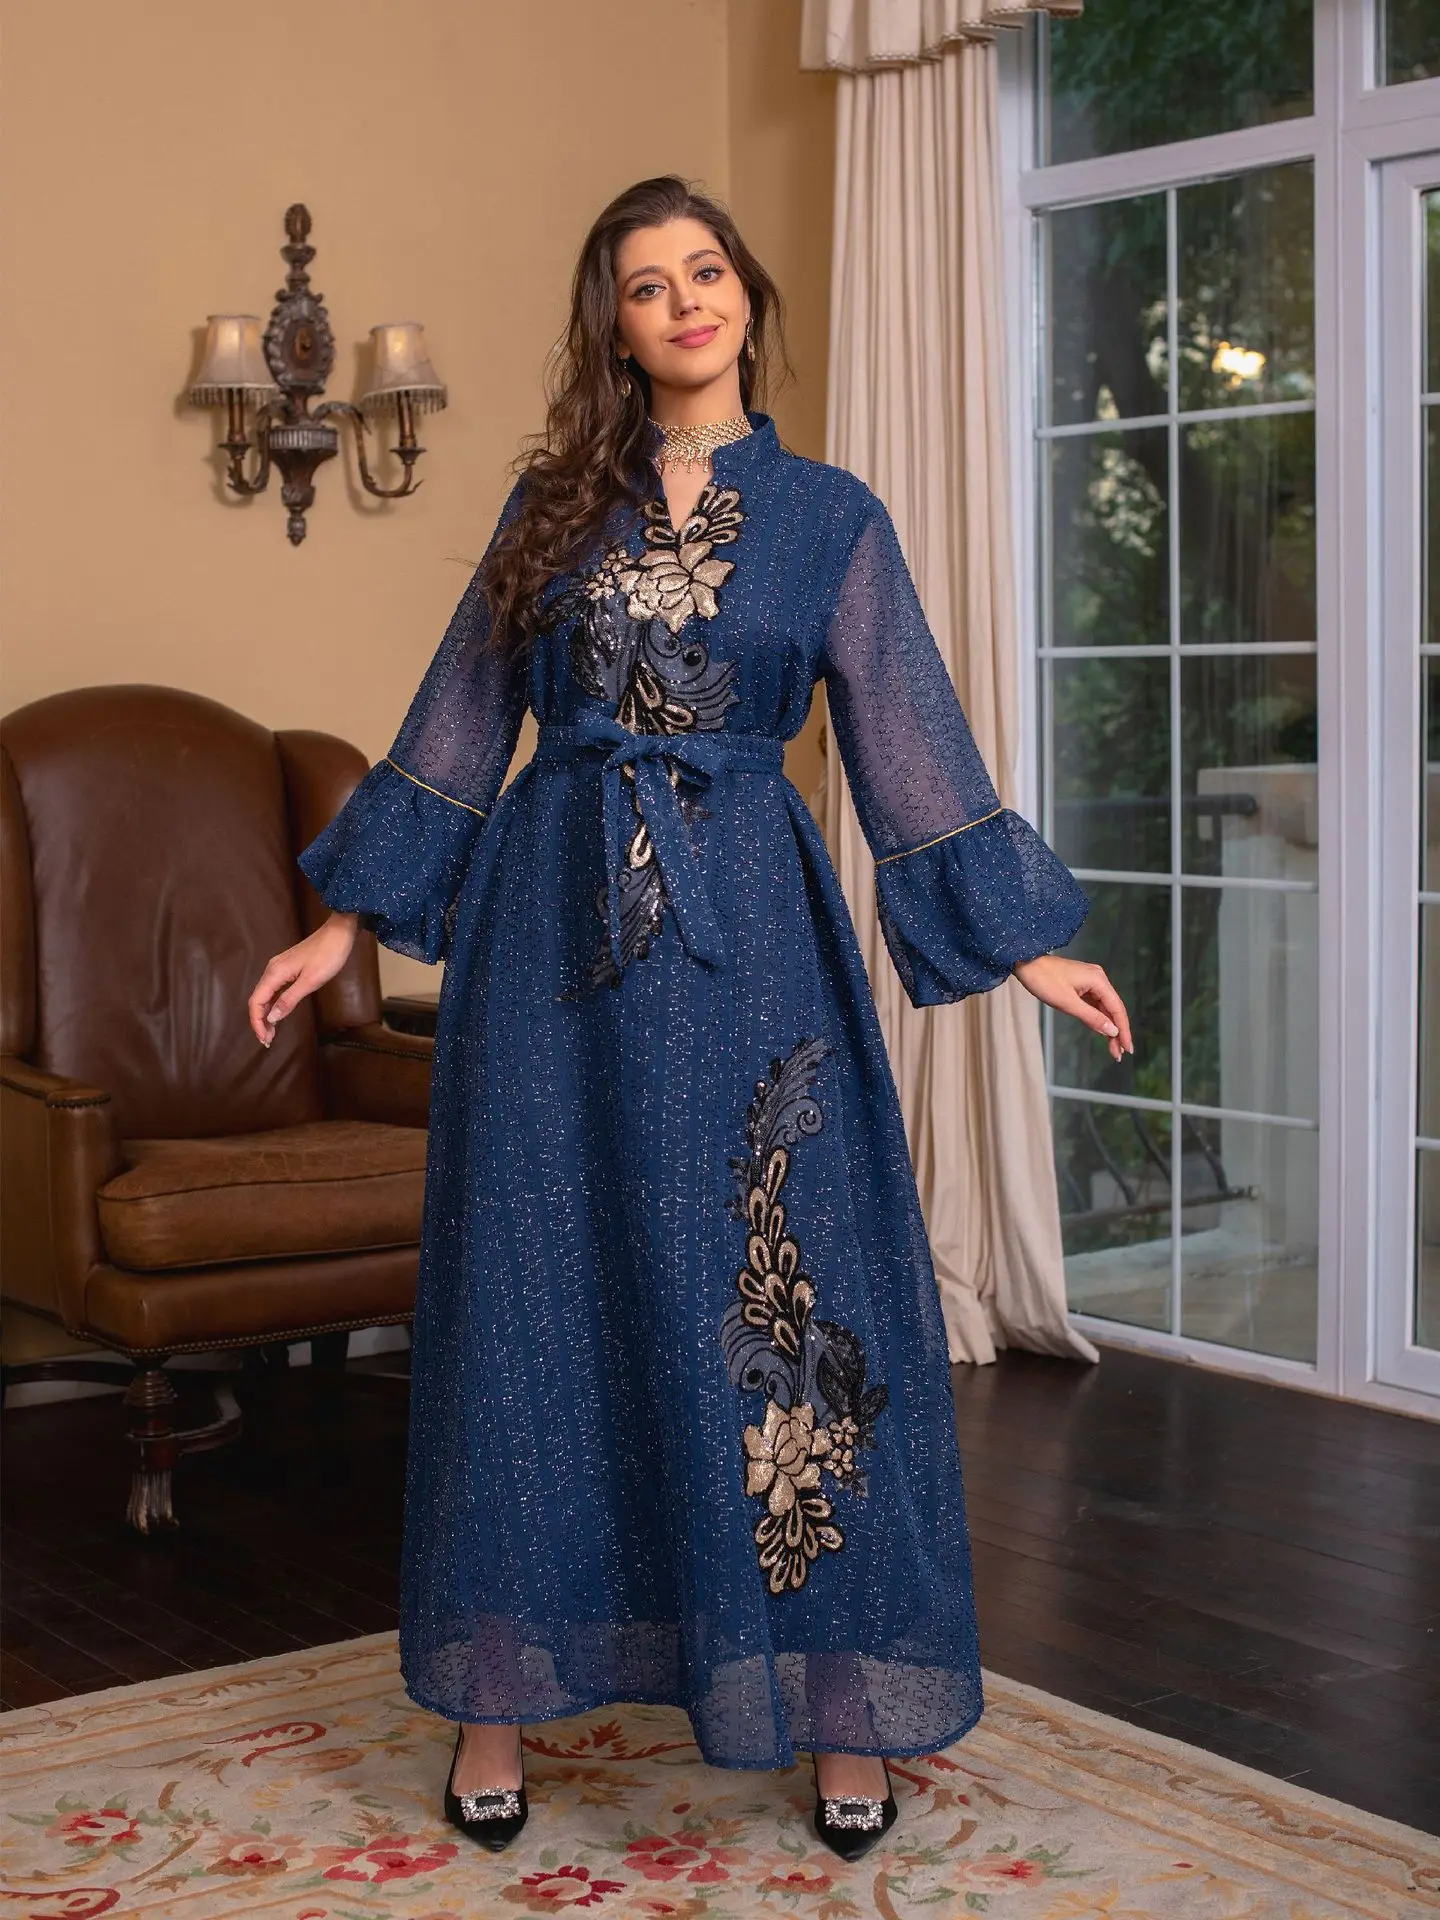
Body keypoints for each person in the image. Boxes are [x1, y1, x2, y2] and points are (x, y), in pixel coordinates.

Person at [247, 173, 1131, 1862]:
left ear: (744, 293)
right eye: (648, 284)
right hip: (547, 955)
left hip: (752, 953)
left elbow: (910, 749)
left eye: (705, 269)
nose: (685, 301)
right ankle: (496, 1704)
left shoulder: (830, 519)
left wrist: (1029, 950)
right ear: (619, 325)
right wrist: (339, 921)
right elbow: (454, 732)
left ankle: (841, 1711)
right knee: (532, 1301)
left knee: (794, 1291)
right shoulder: (548, 512)